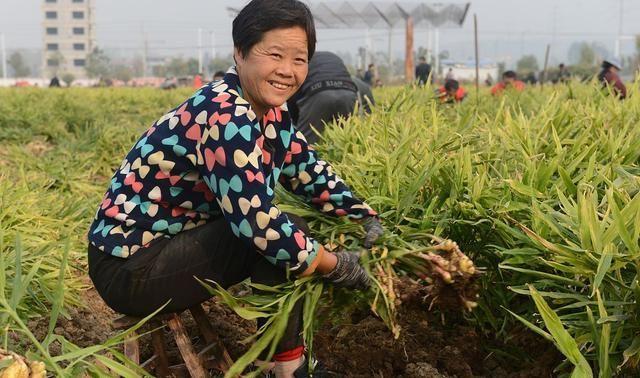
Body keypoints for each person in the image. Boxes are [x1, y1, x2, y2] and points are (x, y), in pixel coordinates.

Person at [86, 1, 383, 377]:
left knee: (285, 236)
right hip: (130, 267)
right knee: (281, 234)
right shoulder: (224, 113)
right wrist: (334, 264)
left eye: (299, 59)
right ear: (240, 53)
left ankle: (280, 359)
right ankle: (287, 367)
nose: (287, 71)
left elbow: (308, 170)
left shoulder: (270, 112)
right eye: (274, 54)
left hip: (165, 247)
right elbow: (257, 225)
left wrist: (364, 216)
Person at [287, 51, 366, 144]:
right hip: (347, 93)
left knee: (304, 144)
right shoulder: (333, 57)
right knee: (348, 142)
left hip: (317, 94)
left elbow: (293, 94)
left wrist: (296, 120)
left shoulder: (304, 60)